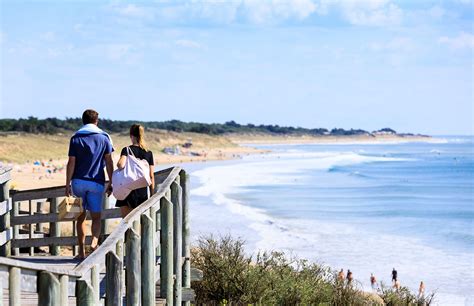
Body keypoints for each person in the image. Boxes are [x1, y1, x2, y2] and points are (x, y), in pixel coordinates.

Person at [66, 109, 114, 259]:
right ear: (96, 121)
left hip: (78, 182)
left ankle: (80, 252)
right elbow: (109, 161)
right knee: (96, 217)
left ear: (83, 120)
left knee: (80, 218)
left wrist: (67, 183)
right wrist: (111, 181)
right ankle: (94, 242)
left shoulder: (75, 138)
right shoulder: (104, 138)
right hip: (96, 182)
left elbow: (71, 163)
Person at [115, 124, 155, 217]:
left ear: (131, 135)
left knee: (126, 223)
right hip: (142, 192)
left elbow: (120, 165)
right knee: (139, 222)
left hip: (127, 189)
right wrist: (152, 193)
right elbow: (151, 175)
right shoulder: (148, 153)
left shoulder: (127, 150)